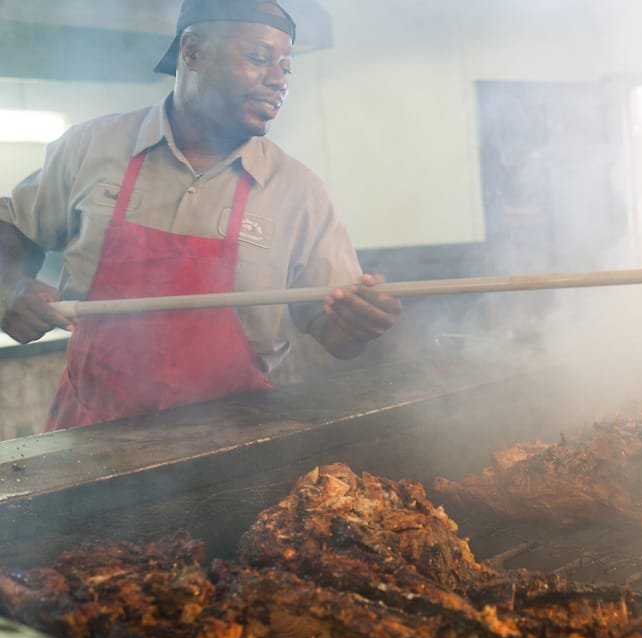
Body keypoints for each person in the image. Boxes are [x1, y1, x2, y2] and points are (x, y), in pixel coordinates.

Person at [0, 0, 401, 430]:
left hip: (231, 445)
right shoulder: (91, 147)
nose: (278, 81)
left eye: (286, 67)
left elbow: (335, 334)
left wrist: (360, 325)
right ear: (191, 52)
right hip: (91, 433)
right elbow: (15, 228)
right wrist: (11, 286)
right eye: (258, 58)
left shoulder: (300, 192)